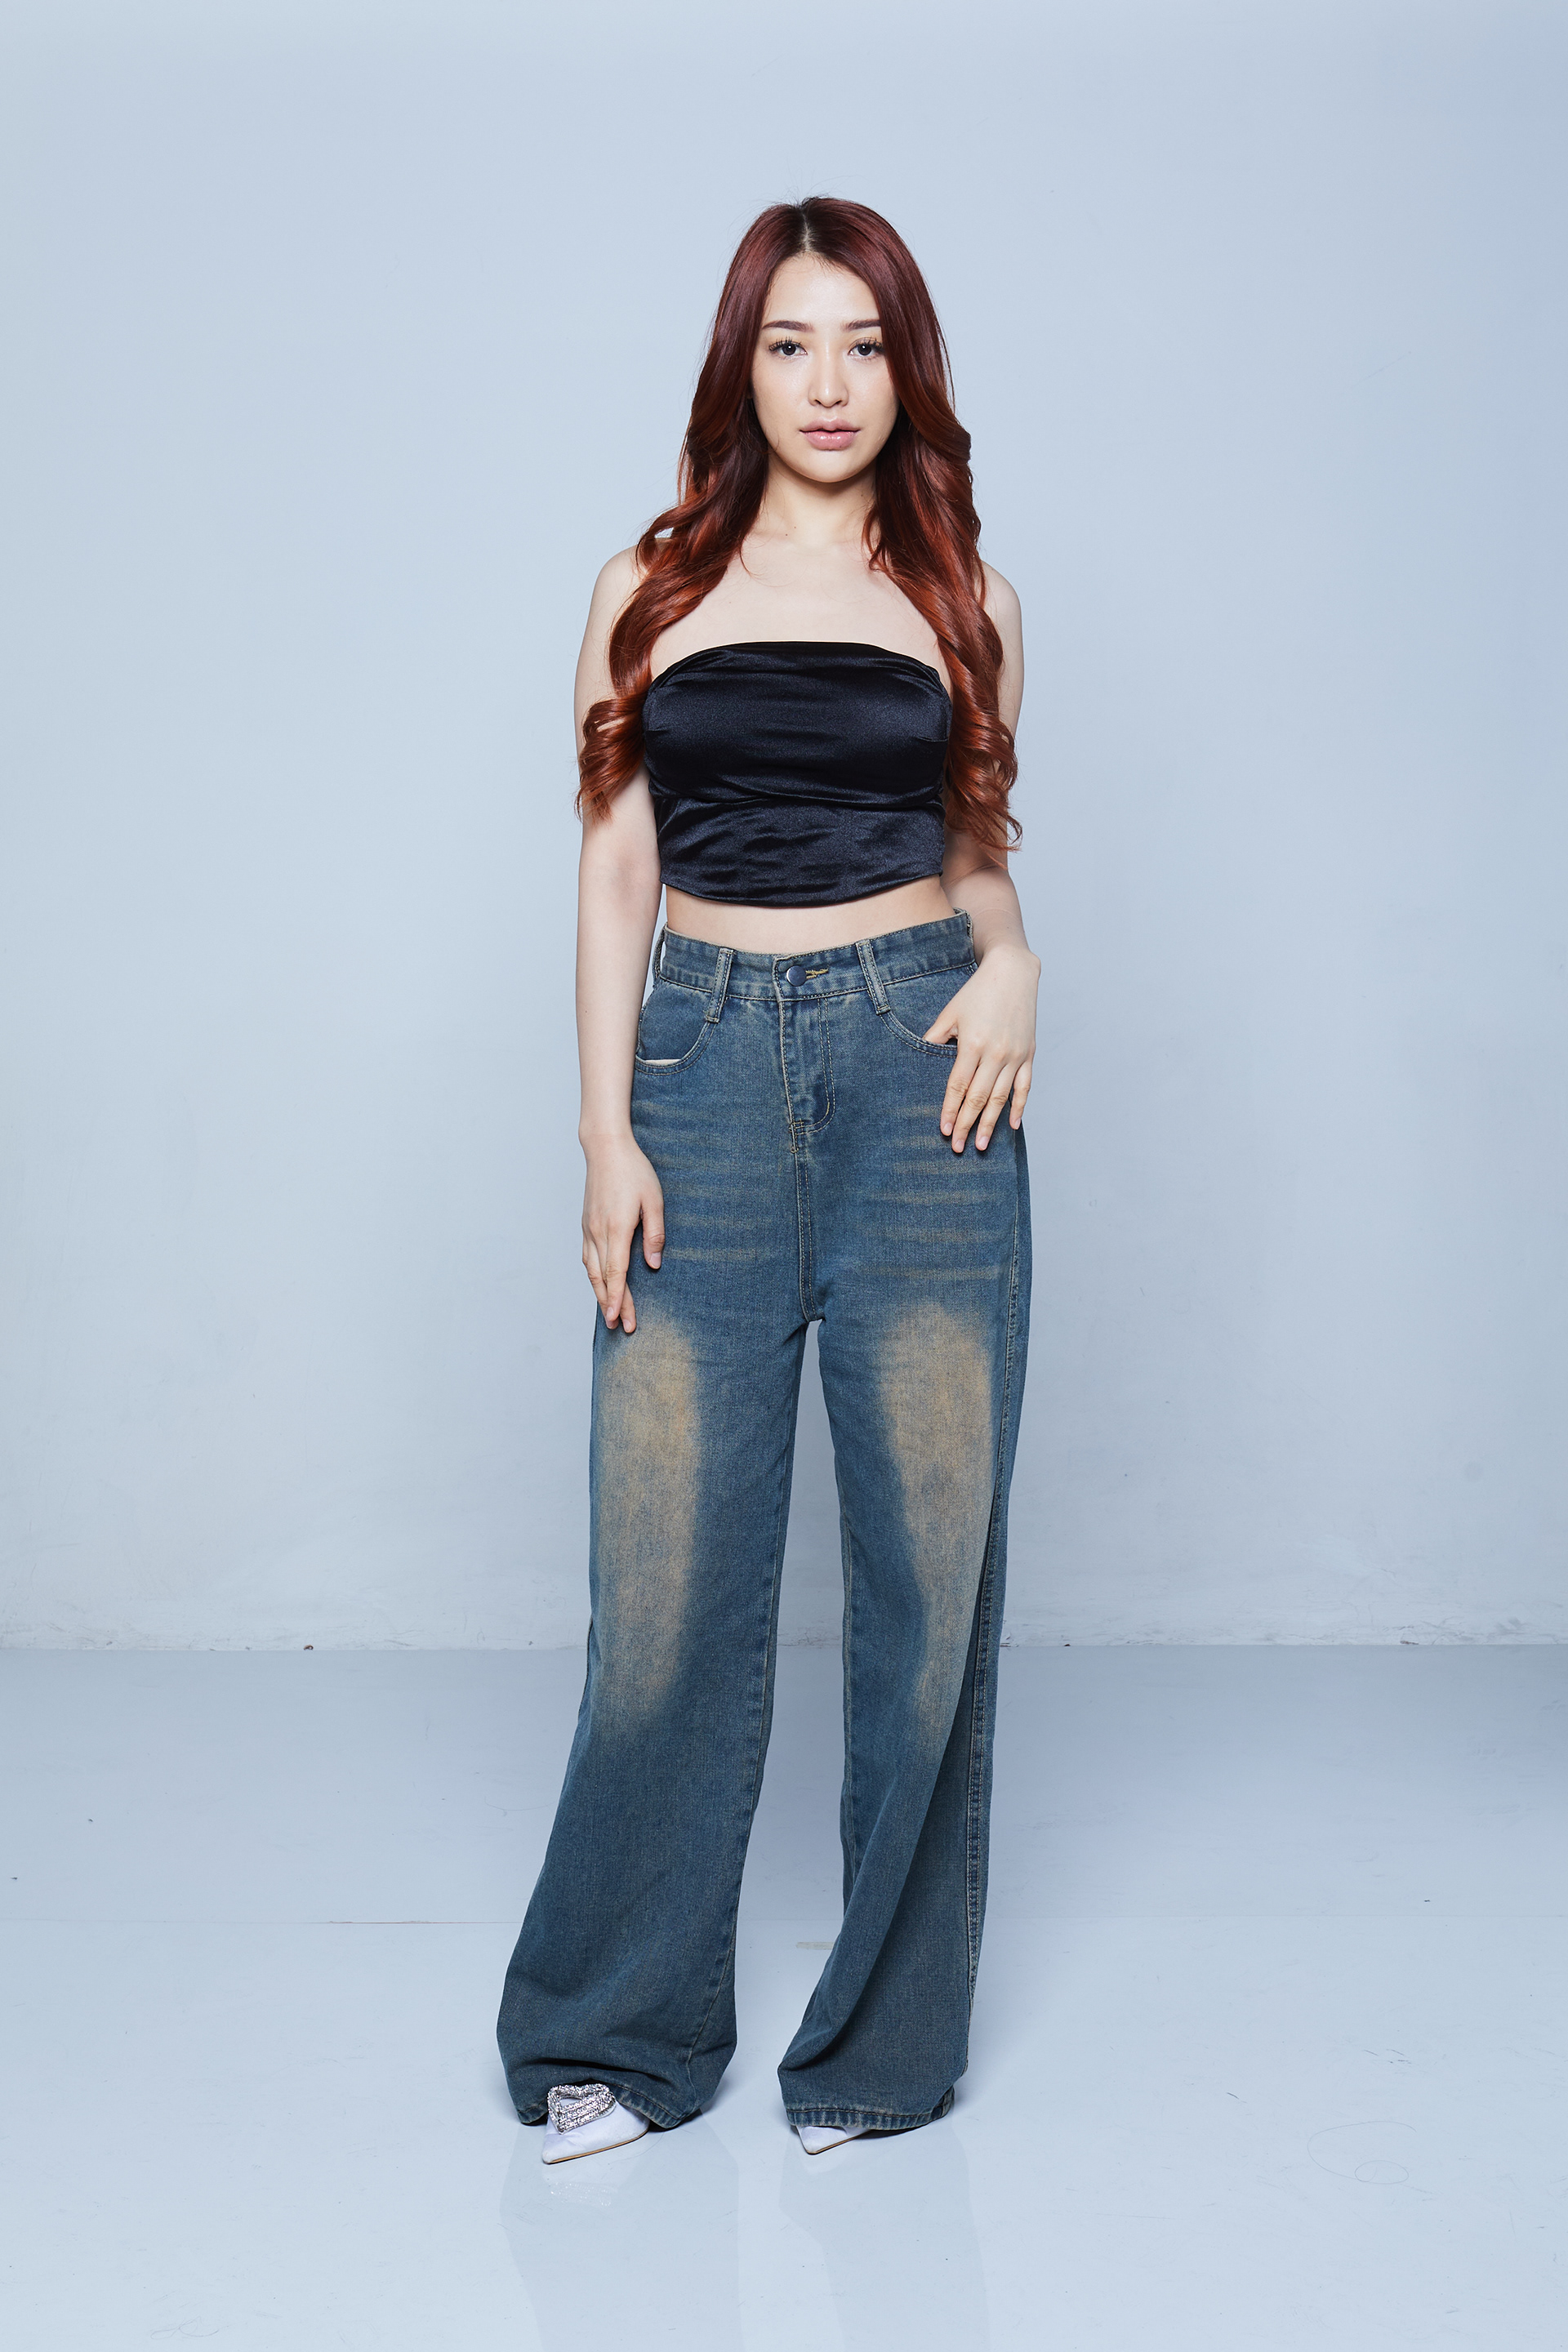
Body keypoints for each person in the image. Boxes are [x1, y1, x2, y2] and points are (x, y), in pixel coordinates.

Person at [497, 196, 1036, 2163]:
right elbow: (612, 871)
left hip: (924, 1078)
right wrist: (606, 1132)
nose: (829, 384)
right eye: (793, 342)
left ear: (909, 373)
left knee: (931, 1581)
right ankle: (618, 2030)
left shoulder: (962, 592)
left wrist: (1019, 960)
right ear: (743, 364)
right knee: (665, 1580)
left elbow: (976, 860)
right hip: (703, 1068)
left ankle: (882, 2046)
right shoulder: (647, 586)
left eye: (866, 345)